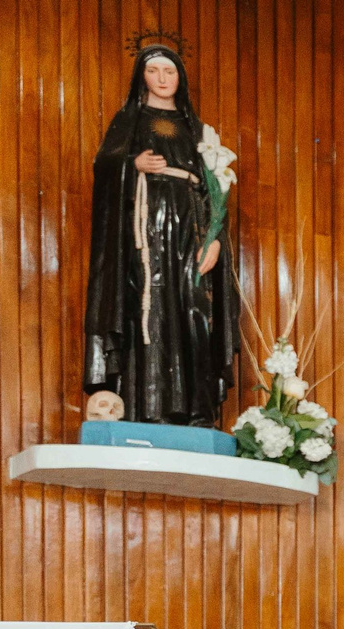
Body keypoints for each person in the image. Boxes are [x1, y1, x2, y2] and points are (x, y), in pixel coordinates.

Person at [84, 41, 240, 426]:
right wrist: (131, 163)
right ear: (142, 77)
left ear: (179, 78)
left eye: (169, 71)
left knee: (194, 309)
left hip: (192, 228)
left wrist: (216, 239)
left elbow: (215, 189)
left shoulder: (198, 130)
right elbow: (104, 166)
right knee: (147, 310)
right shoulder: (130, 120)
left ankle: (199, 413)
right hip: (145, 228)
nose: (162, 78)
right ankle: (147, 410)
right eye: (154, 71)